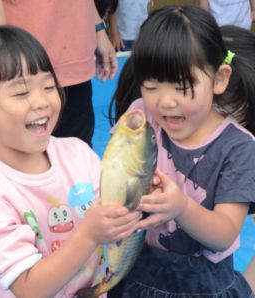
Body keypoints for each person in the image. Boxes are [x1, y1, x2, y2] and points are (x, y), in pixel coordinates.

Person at [0, 26, 141, 298]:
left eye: (49, 86)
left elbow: (114, 209)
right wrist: (89, 234)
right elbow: (28, 287)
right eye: (21, 93)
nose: (42, 101)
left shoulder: (78, 154)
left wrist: (140, 194)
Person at [107, 5, 255, 297]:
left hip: (203, 286)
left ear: (219, 79)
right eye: (151, 86)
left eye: (181, 87)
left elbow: (224, 234)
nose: (165, 102)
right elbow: (112, 172)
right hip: (137, 273)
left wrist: (181, 208)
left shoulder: (238, 148)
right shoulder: (142, 118)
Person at [0, 0, 118, 148]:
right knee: (24, 158)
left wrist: (98, 29)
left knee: (78, 155)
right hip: (23, 68)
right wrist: (6, 64)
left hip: (74, 60)